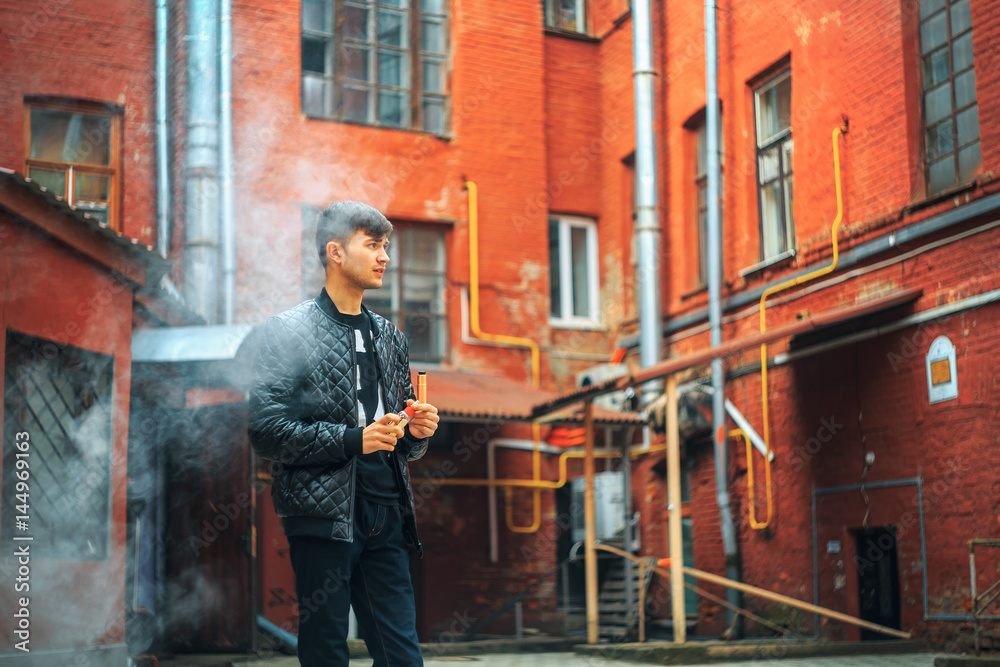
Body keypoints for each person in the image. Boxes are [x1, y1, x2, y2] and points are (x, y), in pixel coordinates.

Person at [249, 201, 439, 667]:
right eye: (372, 245)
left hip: (386, 510)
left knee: (402, 656)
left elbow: (399, 437)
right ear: (335, 252)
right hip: (322, 512)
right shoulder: (287, 331)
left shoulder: (390, 335)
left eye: (385, 246)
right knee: (327, 651)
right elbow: (266, 432)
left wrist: (417, 432)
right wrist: (354, 439)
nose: (385, 257)